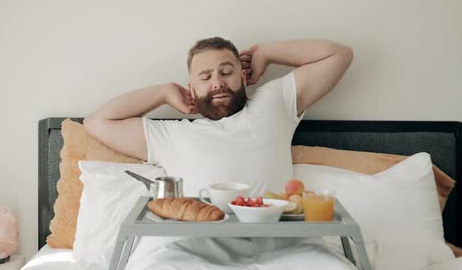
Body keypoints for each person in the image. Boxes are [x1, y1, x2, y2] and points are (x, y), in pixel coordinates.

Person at [84, 37, 353, 196]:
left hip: (274, 245)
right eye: (205, 76)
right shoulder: (172, 135)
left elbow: (339, 55)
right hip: (195, 249)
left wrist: (267, 53)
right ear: (192, 88)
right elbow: (97, 122)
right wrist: (162, 93)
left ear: (244, 77)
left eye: (226, 72)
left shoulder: (272, 105)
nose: (217, 83)